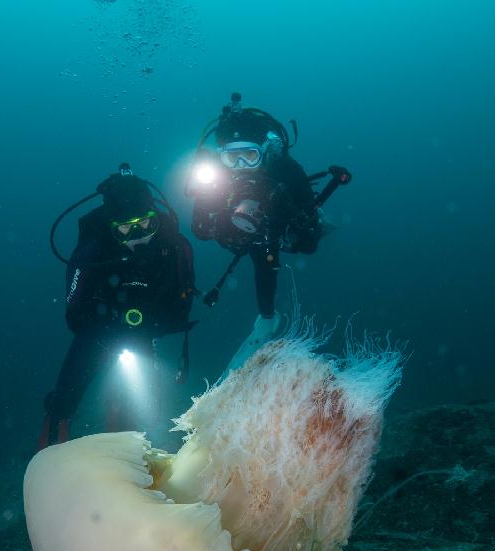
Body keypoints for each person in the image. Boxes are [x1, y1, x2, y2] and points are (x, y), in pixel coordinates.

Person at [186, 92, 350, 372]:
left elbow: (307, 239)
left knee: (286, 250)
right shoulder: (215, 177)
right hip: (238, 232)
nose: (240, 165)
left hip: (274, 227)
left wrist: (300, 222)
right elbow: (200, 227)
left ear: (263, 152)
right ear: (220, 156)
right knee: (256, 249)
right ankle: (266, 317)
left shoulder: (284, 169)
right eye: (231, 158)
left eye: (249, 156)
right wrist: (218, 225)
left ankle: (267, 317)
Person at [38, 165, 196, 448]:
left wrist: (154, 323)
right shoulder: (93, 252)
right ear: (112, 229)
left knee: (144, 409)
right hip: (97, 331)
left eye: (145, 224)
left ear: (155, 219)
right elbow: (73, 312)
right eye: (125, 229)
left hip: (144, 332)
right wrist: (101, 321)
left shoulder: (172, 246)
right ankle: (47, 457)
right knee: (64, 398)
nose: (137, 235)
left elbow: (182, 303)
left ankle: (135, 461)